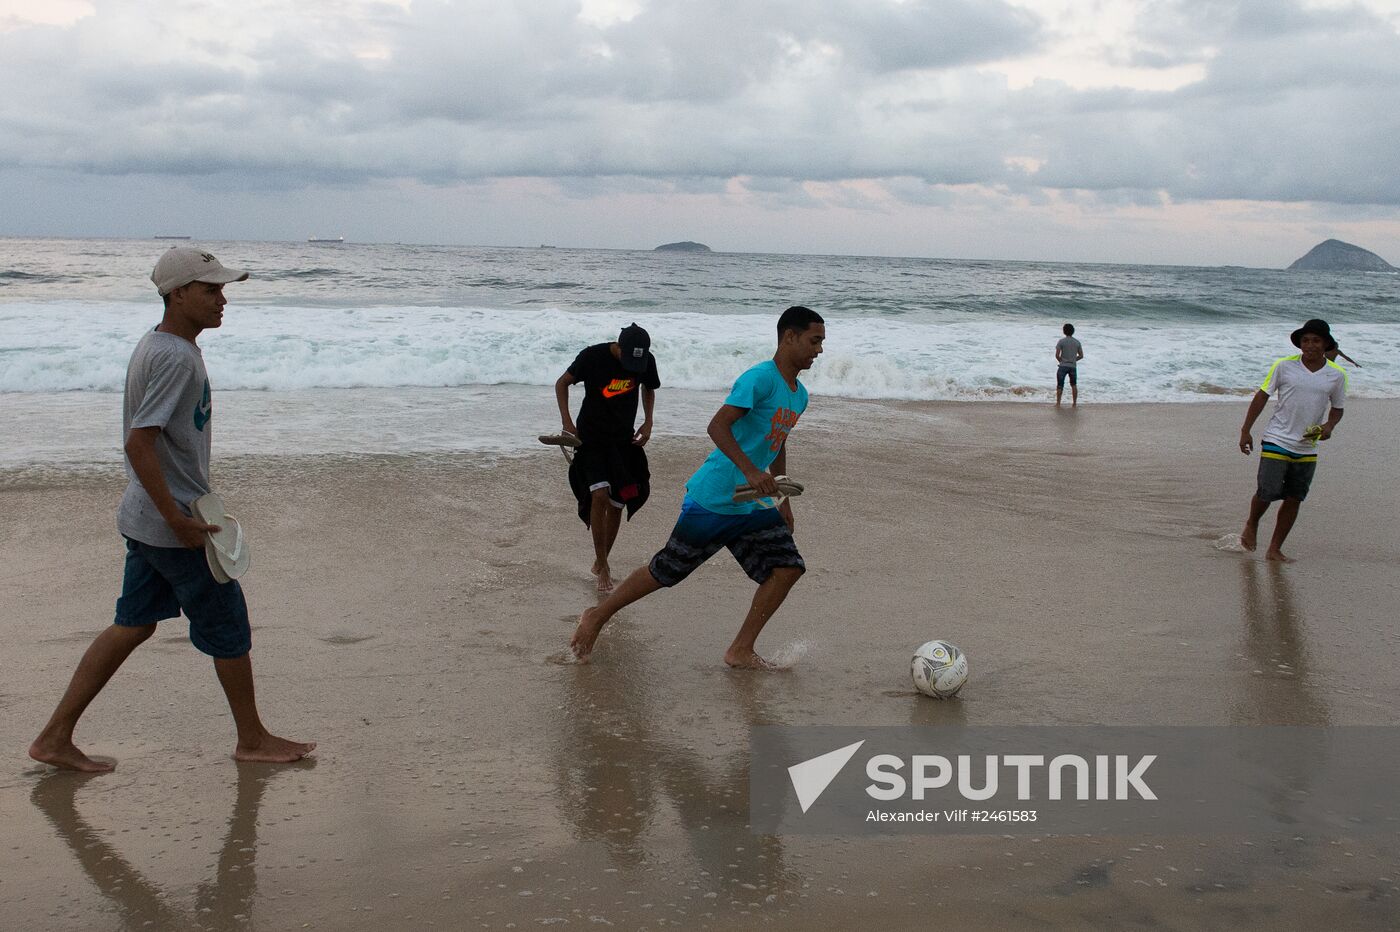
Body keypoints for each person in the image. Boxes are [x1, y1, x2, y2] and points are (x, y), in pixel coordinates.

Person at [28, 248, 315, 772]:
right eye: (210, 290)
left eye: (222, 289)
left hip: (144, 518)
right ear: (178, 293)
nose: (222, 299)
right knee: (228, 627)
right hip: (172, 526)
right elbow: (139, 443)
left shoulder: (163, 345)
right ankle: (251, 738)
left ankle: (54, 737)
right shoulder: (175, 357)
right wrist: (178, 518)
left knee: (133, 625)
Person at [570, 306, 825, 669]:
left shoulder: (798, 395)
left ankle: (740, 649)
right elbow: (717, 426)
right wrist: (751, 471)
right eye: (814, 341)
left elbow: (778, 439)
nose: (818, 350)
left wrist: (782, 497)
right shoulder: (759, 379)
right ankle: (597, 616)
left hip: (753, 504)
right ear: (789, 337)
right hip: (716, 496)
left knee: (788, 568)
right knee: (665, 571)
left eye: (821, 343)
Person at [554, 324, 661, 592]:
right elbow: (562, 383)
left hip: (622, 441)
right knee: (599, 493)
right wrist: (567, 421)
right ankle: (603, 565)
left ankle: (601, 559)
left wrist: (648, 421)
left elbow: (648, 388)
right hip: (590, 438)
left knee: (618, 501)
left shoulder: (645, 361)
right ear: (619, 347)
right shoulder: (592, 356)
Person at [1238, 318, 1347, 562]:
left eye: (1316, 341)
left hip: (1307, 445)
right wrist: (1246, 430)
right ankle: (1252, 524)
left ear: (1326, 344)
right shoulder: (1284, 366)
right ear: (1299, 344)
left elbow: (1337, 408)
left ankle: (1274, 548)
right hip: (1277, 438)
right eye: (1305, 340)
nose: (1310, 345)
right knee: (1267, 491)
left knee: (1294, 497)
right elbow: (1262, 396)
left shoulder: (1337, 375)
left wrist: (1329, 426)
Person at [1055, 323, 1084, 407]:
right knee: (1074, 384)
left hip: (1063, 366)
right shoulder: (1077, 342)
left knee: (1060, 385)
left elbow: (1057, 355)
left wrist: (1061, 361)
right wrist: (1074, 360)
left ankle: (1058, 403)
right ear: (1073, 332)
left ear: (1064, 331)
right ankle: (1074, 403)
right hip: (1073, 366)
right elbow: (1081, 356)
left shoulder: (1061, 341)